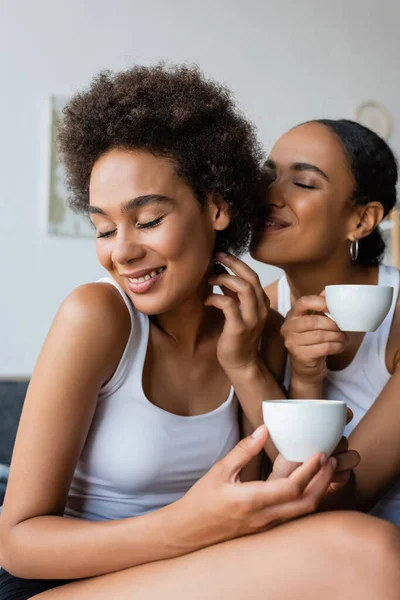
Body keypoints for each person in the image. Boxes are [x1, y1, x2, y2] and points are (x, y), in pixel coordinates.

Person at [0, 69, 398, 599]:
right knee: (364, 550)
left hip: (188, 573)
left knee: (366, 549)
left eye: (148, 220)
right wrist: (192, 525)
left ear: (216, 207)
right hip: (59, 584)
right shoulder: (96, 314)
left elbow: (291, 493)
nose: (121, 251)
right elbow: (18, 542)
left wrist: (247, 365)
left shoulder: (260, 327)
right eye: (103, 228)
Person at [251, 118, 400, 524]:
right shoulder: (257, 311)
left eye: (303, 183)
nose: (268, 195)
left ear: (361, 220)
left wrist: (306, 376)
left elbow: (342, 501)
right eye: (267, 177)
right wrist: (305, 376)